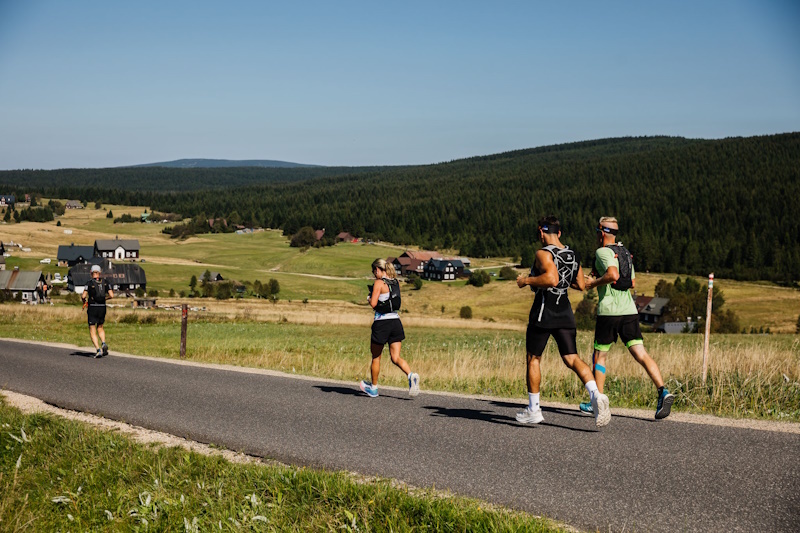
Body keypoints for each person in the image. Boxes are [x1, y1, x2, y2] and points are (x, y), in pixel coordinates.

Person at [515, 216, 610, 427]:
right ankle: (596, 396)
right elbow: (580, 285)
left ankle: (534, 410)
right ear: (559, 233)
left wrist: (526, 281)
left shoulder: (542, 253)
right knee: (572, 358)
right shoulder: (573, 254)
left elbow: (551, 279)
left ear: (541, 232)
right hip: (565, 312)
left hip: (544, 311)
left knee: (533, 358)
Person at [581, 216, 675, 419]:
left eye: (598, 232)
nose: (597, 236)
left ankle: (597, 402)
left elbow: (613, 276)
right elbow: (631, 282)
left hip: (609, 312)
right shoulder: (624, 252)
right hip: (629, 311)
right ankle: (662, 391)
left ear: (602, 232)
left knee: (599, 356)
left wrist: (592, 284)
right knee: (641, 354)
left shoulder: (602, 252)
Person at [359, 258, 420, 398]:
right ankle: (411, 375)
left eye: (374, 271)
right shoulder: (396, 282)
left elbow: (374, 304)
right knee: (396, 357)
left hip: (382, 323)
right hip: (396, 322)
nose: (374, 274)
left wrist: (369, 298)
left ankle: (373, 388)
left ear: (379, 270)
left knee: (376, 357)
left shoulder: (379, 283)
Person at [82, 264, 113, 358]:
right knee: (100, 327)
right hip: (102, 307)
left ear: (91, 273)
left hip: (92, 307)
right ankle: (103, 343)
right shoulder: (106, 282)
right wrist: (105, 299)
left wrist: (84, 301)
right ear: (99, 273)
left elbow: (83, 296)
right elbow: (112, 295)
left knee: (92, 329)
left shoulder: (89, 283)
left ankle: (98, 350)